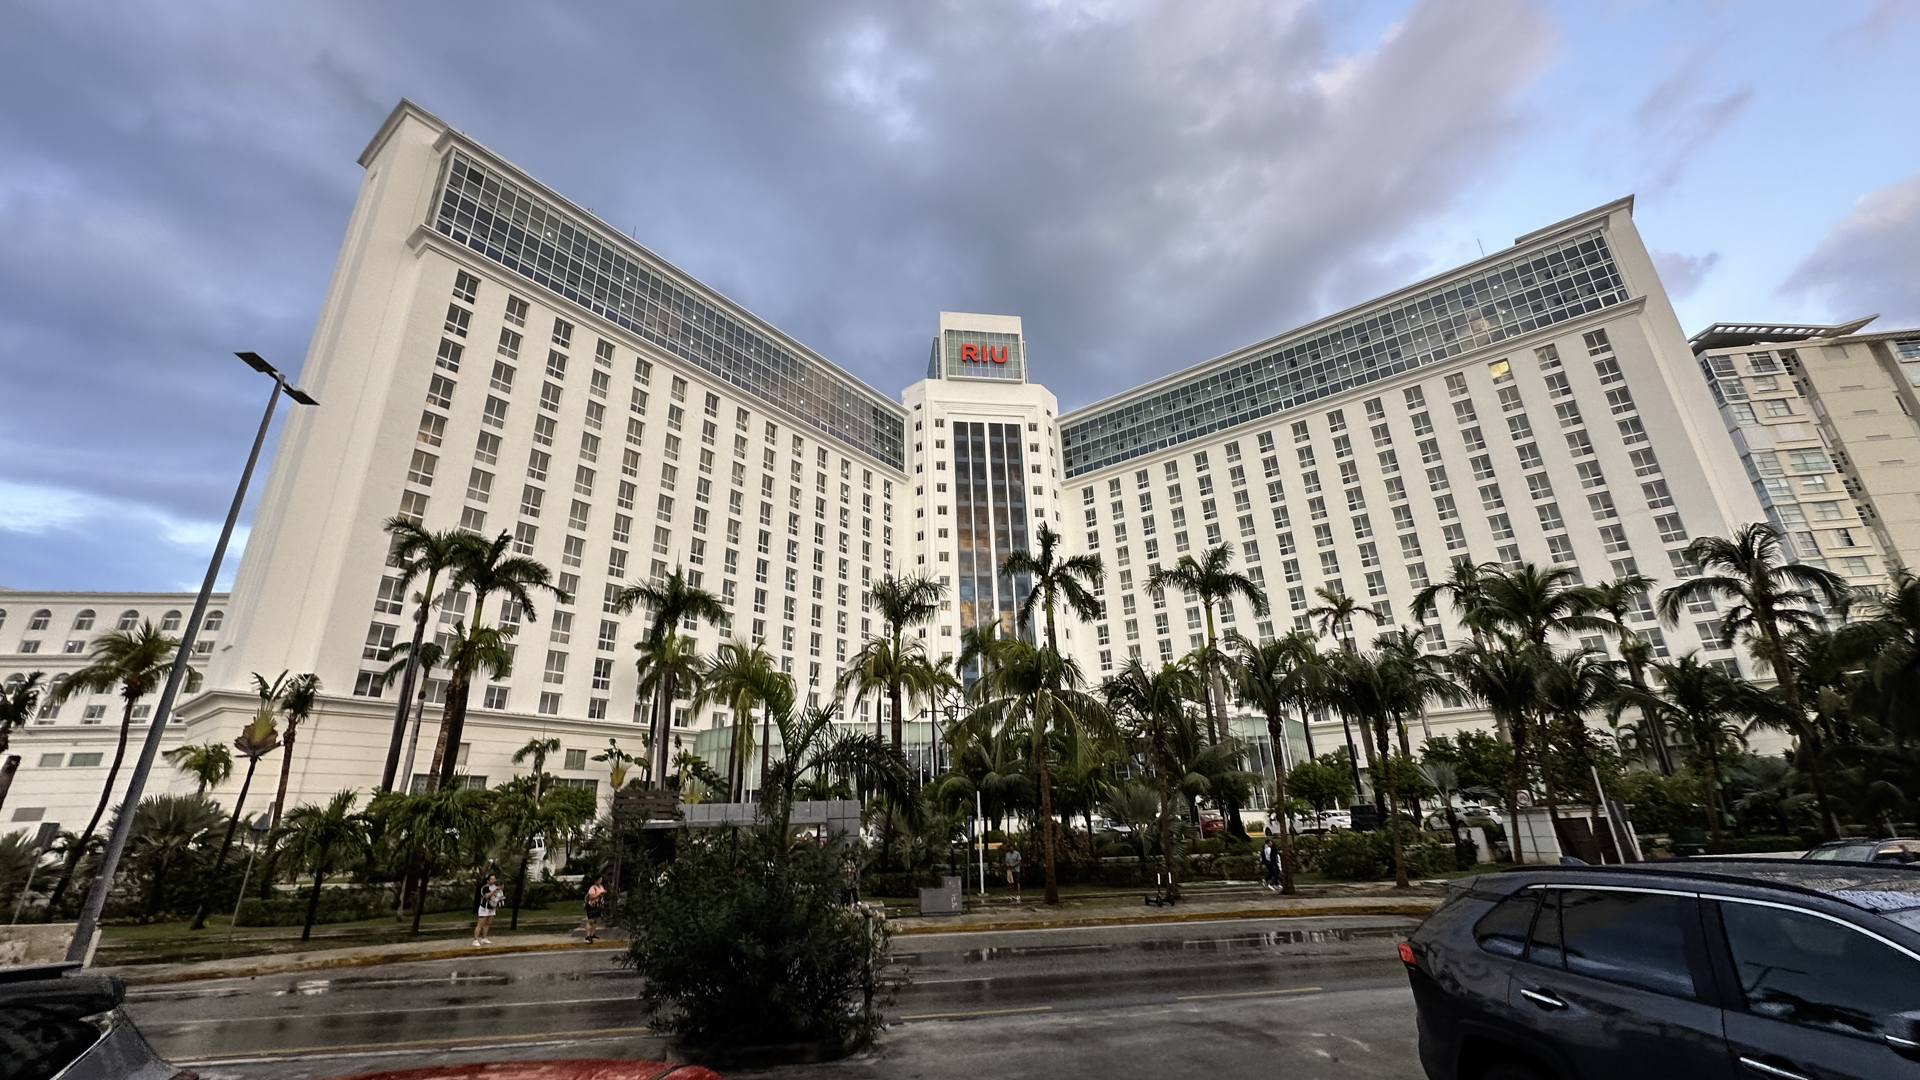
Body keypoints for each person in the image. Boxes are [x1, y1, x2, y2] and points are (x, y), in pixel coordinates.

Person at [472, 873, 505, 946]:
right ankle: (475, 940)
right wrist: (494, 890)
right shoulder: (485, 888)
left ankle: (484, 938)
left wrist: (499, 890)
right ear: (488, 880)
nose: (493, 880)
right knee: (480, 924)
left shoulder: (494, 887)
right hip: (484, 908)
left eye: (494, 879)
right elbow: (487, 896)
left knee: (488, 923)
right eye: (492, 879)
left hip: (492, 907)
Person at [583, 876, 607, 942]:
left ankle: (592, 934)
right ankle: (588, 935)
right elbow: (591, 897)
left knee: (595, 921)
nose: (600, 881)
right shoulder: (592, 888)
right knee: (590, 921)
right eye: (599, 880)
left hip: (598, 905)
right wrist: (599, 895)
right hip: (592, 905)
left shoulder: (601, 887)